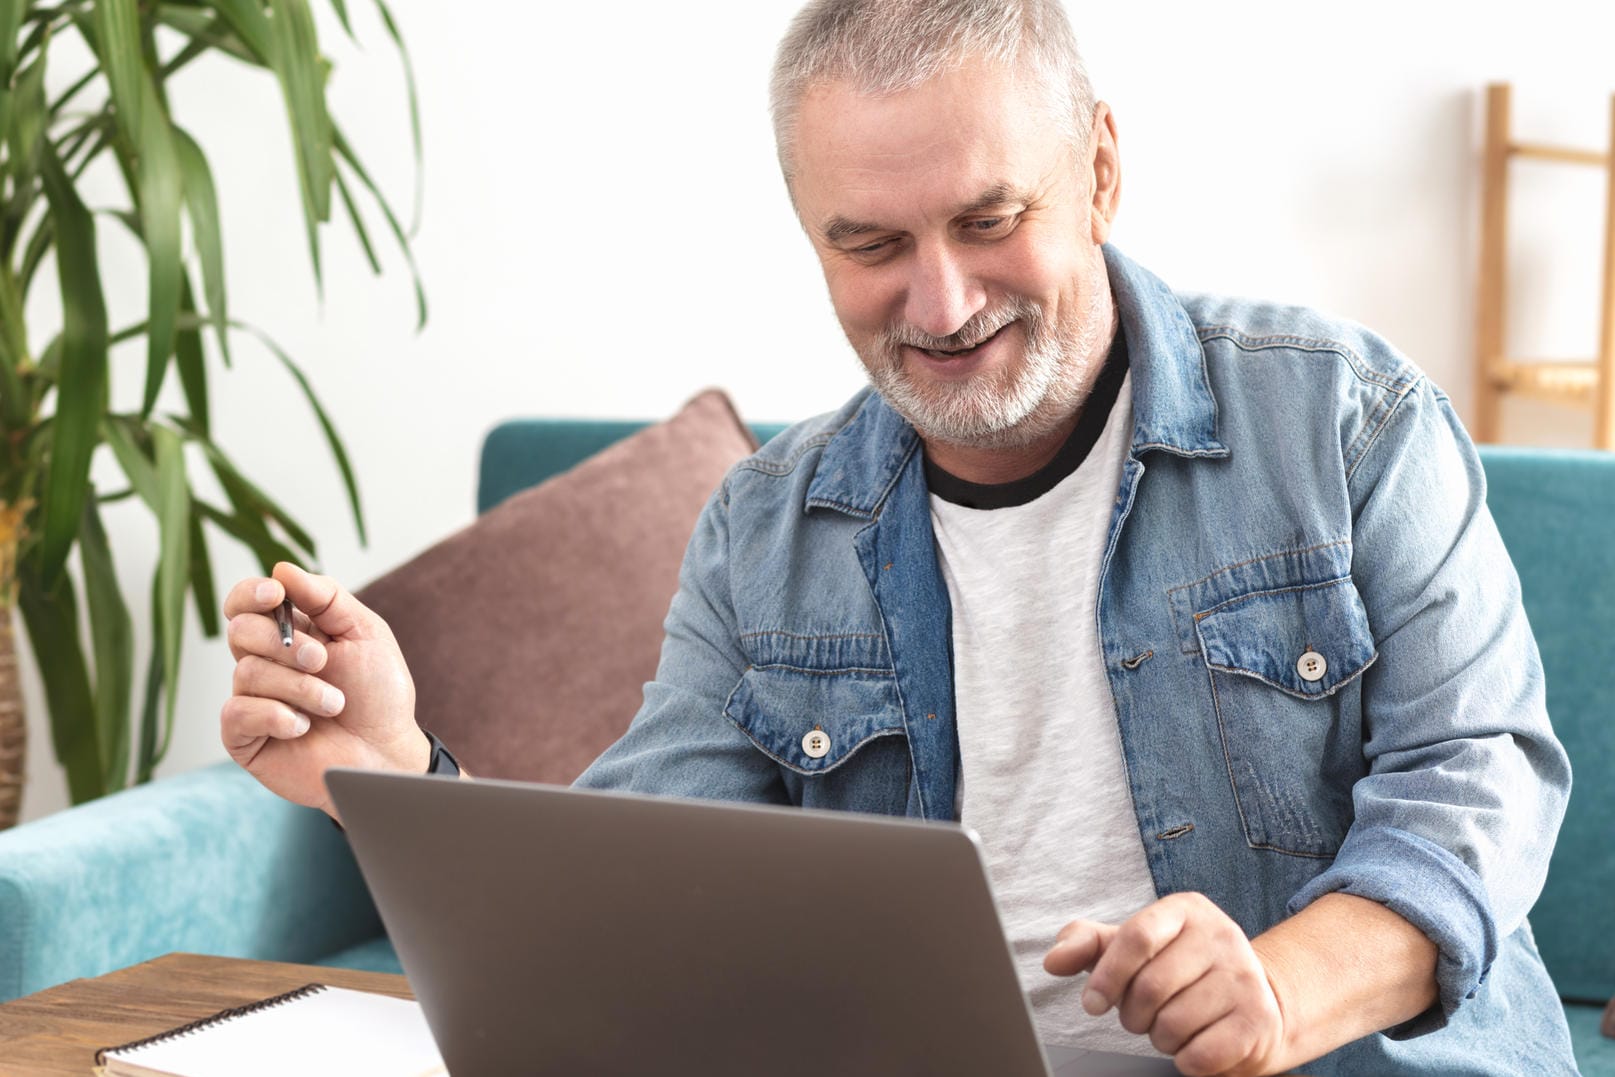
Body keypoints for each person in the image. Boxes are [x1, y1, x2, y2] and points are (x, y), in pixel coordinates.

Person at [219, 1, 1575, 1073]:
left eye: (991, 220)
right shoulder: (768, 527)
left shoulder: (1346, 419)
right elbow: (631, 888)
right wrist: (397, 767)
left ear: (1099, 168)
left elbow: (1479, 786)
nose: (940, 299)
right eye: (870, 242)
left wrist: (1276, 992)